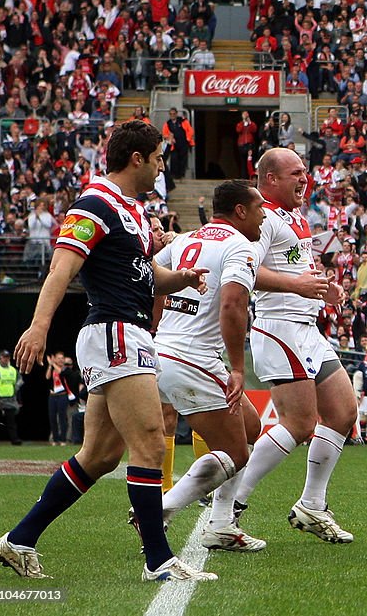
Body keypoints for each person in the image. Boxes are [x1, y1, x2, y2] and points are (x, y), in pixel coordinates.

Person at [0, 120, 214, 582]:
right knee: (152, 442)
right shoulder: (95, 203)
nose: (160, 169)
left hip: (123, 333)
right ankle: (159, 560)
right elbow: (61, 269)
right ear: (137, 159)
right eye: (157, 159)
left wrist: (184, 278)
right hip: (114, 332)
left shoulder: (130, 208)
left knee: (99, 456)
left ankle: (18, 539)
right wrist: (37, 327)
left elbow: (149, 274)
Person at [233, 147, 356, 544]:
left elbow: (296, 269)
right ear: (271, 179)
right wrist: (299, 286)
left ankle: (312, 505)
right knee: (299, 423)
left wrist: (322, 288)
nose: (305, 179)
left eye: (305, 172)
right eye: (296, 174)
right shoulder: (262, 217)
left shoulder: (296, 217)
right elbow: (246, 272)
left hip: (306, 328)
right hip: (279, 327)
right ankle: (233, 499)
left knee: (342, 411)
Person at [150, 179, 268, 552]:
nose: (264, 216)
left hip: (162, 351)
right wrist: (237, 367)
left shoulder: (185, 240)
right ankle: (160, 510)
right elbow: (233, 305)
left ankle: (220, 522)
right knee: (236, 452)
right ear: (240, 211)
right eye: (259, 208)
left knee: (251, 426)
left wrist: (154, 331)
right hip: (194, 357)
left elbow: (155, 284)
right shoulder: (239, 247)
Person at [0, 350, 23, 445]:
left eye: (7, 357)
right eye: (4, 357)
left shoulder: (13, 370)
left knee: (11, 422)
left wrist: (19, 400)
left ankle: (14, 440)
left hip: (10, 400)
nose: (6, 359)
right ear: (0, 357)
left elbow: (17, 386)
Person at [45, 352, 72, 446]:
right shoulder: (53, 369)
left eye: (62, 358)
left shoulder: (66, 369)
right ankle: (55, 439)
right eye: (58, 358)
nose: (60, 360)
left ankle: (63, 439)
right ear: (55, 359)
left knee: (62, 418)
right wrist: (50, 365)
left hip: (62, 395)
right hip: (52, 396)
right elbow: (47, 377)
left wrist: (53, 364)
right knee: (52, 417)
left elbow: (61, 373)